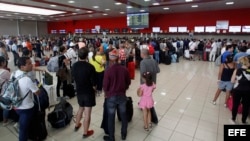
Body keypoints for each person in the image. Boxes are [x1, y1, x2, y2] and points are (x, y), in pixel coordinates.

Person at [103, 49, 131, 141]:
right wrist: (124, 88)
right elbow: (128, 82)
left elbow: (105, 85)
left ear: (110, 59)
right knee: (123, 115)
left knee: (111, 117)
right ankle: (124, 134)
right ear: (118, 57)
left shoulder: (108, 71)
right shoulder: (124, 69)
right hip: (122, 95)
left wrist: (106, 93)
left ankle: (111, 137)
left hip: (111, 96)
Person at [71, 47, 96, 138]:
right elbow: (94, 83)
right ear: (87, 56)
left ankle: (77, 125)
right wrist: (94, 88)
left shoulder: (74, 66)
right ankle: (85, 132)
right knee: (87, 112)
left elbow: (73, 78)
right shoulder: (90, 67)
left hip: (79, 90)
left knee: (80, 108)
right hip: (88, 92)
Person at [15, 57, 40, 141]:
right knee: (23, 130)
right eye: (28, 64)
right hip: (26, 107)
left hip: (16, 104)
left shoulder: (14, 73)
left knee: (24, 124)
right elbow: (37, 92)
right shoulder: (26, 79)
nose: (31, 65)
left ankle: (20, 124)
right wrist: (38, 86)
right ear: (22, 67)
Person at [230, 56, 250, 124]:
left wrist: (237, 81)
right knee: (246, 106)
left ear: (241, 63)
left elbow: (232, 81)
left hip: (237, 90)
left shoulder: (237, 70)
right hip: (247, 91)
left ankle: (233, 119)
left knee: (235, 104)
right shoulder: (249, 71)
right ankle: (244, 121)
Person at [0, 56, 11, 126]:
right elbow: (11, 81)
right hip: (2, 93)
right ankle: (5, 120)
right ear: (2, 63)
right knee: (7, 105)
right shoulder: (5, 72)